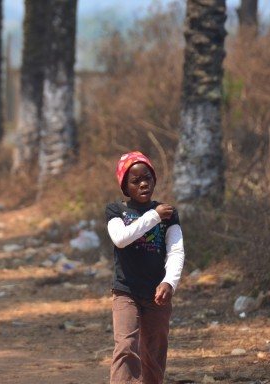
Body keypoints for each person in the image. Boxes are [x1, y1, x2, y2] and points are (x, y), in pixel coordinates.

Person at [105, 151, 185, 384]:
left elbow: (176, 250)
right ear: (125, 186)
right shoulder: (116, 211)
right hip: (125, 291)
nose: (142, 184)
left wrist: (170, 281)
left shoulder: (168, 214)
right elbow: (120, 239)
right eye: (135, 180)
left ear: (154, 180)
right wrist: (153, 217)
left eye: (147, 178)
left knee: (155, 349)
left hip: (157, 294)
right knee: (126, 345)